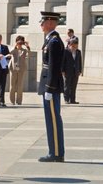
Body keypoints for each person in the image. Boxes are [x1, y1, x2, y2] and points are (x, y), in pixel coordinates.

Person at [38, 11, 65, 163]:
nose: (41, 24)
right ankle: (54, 150)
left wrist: (49, 88)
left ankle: (56, 153)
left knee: (53, 120)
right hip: (49, 85)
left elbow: (54, 68)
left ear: (50, 23)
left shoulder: (54, 41)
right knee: (50, 119)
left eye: (43, 21)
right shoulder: (50, 40)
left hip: (51, 87)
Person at [9, 36, 29, 105]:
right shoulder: (14, 49)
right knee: (12, 85)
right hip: (13, 69)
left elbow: (29, 54)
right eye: (18, 42)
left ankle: (19, 101)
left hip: (21, 69)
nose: (20, 44)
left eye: (21, 42)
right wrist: (16, 46)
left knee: (20, 85)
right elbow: (10, 52)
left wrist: (27, 46)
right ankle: (12, 101)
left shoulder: (24, 50)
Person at [62, 38, 82, 104]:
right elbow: (63, 62)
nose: (74, 48)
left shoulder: (78, 52)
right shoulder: (66, 51)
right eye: (73, 46)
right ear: (70, 45)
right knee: (67, 85)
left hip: (75, 71)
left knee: (73, 86)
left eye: (76, 46)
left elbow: (79, 61)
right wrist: (63, 71)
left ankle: (72, 99)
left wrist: (80, 70)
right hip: (68, 71)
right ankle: (66, 99)